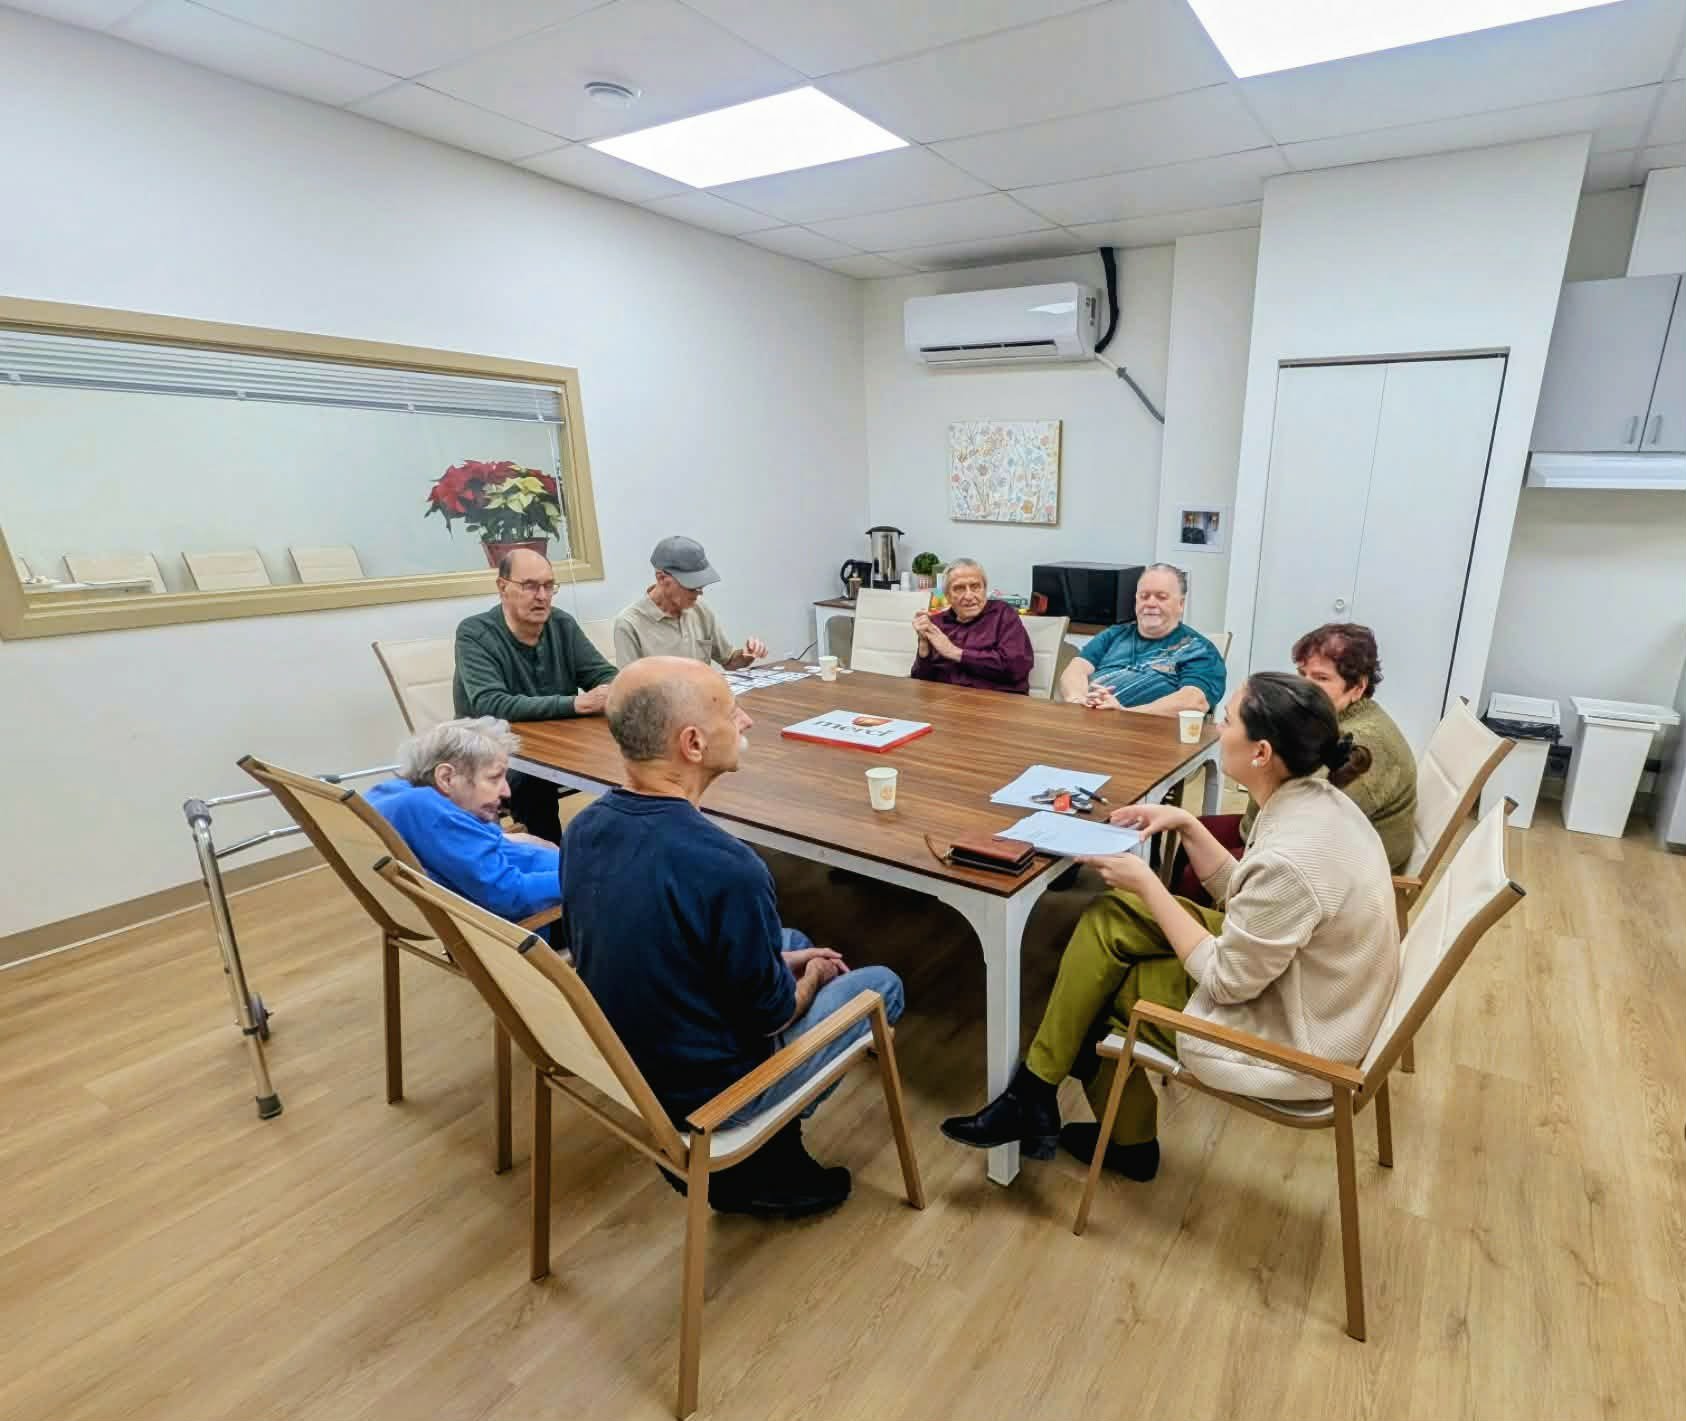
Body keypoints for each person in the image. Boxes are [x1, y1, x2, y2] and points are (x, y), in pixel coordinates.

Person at [941, 672, 1398, 1182]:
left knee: (1098, 990)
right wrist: (1185, 824)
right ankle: (1035, 1093)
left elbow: (1229, 980)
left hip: (1297, 1028)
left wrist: (1148, 883)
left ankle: (1121, 1139)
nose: (1217, 728)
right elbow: (1249, 900)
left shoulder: (1292, 854)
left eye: (1227, 720)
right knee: (1111, 914)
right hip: (1313, 982)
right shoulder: (1315, 801)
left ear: (1261, 753)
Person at [562, 656, 905, 1217]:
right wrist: (813, 972)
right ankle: (758, 1160)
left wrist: (788, 956)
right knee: (880, 985)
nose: (745, 722)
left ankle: (769, 1151)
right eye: (733, 711)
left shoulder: (583, 829)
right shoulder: (728, 866)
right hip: (711, 1101)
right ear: (692, 744)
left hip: (634, 1068)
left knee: (788, 935)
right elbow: (771, 1016)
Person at [1177, 623, 1418, 892]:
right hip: (1280, 832)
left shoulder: (1363, 744)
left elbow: (1302, 817)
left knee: (1195, 872)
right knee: (1193, 833)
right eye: (1302, 674)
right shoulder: (1323, 719)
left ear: (1358, 687)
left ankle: (1198, 925)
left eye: (1321, 678)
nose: (1306, 686)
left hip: (1337, 869)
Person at [453, 547, 616, 842]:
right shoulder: (474, 633)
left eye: (549, 586)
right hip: (491, 747)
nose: (542, 596)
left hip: (557, 741)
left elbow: (602, 674)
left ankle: (611, 849)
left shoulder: (561, 623)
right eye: (529, 585)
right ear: (503, 588)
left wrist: (618, 688)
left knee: (626, 756)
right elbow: (490, 703)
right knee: (529, 781)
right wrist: (576, 703)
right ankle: (552, 860)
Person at [365, 716, 560, 930]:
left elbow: (466, 848)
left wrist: (502, 837)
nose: (506, 791)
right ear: (447, 778)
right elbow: (510, 895)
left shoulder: (392, 796)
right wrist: (583, 876)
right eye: (494, 778)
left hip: (545, 875)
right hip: (545, 916)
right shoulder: (432, 813)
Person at [1057, 563, 1226, 715]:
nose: (1150, 603)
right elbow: (1075, 669)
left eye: (1161, 597)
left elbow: (1193, 701)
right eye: (1144, 596)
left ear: (1181, 604)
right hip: (1092, 724)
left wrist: (1125, 713)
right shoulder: (1114, 634)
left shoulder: (1198, 649)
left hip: (1154, 739)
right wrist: (1078, 700)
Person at [612, 535, 768, 670]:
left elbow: (729, 661)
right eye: (692, 586)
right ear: (662, 578)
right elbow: (629, 693)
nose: (700, 592)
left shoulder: (700, 608)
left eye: (702, 585)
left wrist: (747, 655)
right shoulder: (629, 624)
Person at [909, 558, 1034, 694]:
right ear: (947, 596)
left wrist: (954, 652)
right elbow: (921, 681)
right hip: (946, 703)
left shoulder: (1003, 614)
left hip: (998, 703)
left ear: (984, 589)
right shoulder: (937, 624)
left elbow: (1016, 667)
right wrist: (923, 647)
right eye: (959, 588)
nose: (969, 595)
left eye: (975, 587)